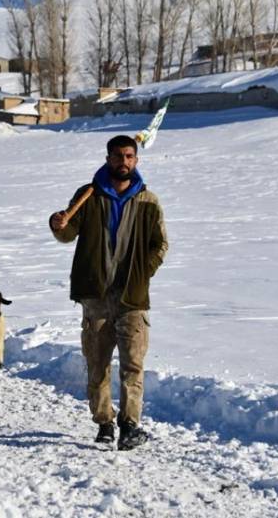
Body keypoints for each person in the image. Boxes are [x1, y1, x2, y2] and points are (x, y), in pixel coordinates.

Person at [49, 134, 168, 450]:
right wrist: (58, 224)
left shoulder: (148, 201)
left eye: (129, 156)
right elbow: (67, 232)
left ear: (136, 160)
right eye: (118, 156)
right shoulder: (88, 195)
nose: (123, 162)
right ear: (107, 159)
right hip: (96, 296)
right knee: (97, 363)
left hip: (132, 298)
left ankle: (129, 425)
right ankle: (104, 422)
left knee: (133, 365)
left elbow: (160, 244)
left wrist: (143, 273)